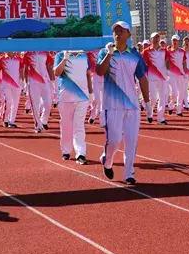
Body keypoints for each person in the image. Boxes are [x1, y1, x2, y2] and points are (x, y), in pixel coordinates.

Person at [96, 21, 149, 185]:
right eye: (115, 31)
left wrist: (147, 103)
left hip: (132, 105)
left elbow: (142, 78)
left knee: (131, 141)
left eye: (121, 31)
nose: (118, 34)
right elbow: (99, 71)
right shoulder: (105, 52)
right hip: (112, 106)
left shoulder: (135, 55)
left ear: (129, 35)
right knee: (114, 140)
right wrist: (109, 54)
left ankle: (129, 174)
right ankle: (108, 160)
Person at [53, 49, 92, 164]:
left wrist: (91, 93)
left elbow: (88, 74)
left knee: (79, 125)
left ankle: (80, 153)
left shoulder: (84, 55)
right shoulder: (60, 54)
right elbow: (56, 72)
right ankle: (66, 150)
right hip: (66, 96)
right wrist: (65, 59)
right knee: (66, 126)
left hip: (82, 96)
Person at [21, 51, 54, 132]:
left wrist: (52, 80)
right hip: (33, 82)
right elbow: (25, 68)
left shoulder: (45, 53)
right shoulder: (28, 54)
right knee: (35, 104)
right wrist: (25, 82)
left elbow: (49, 66)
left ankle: (44, 120)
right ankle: (38, 125)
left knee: (48, 103)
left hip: (45, 81)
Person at [142, 32, 169, 124]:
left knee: (162, 98)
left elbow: (167, 61)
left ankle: (161, 118)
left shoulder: (164, 51)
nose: (157, 39)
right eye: (155, 37)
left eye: (158, 37)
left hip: (163, 77)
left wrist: (168, 71)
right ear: (151, 40)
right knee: (153, 98)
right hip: (151, 77)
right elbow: (143, 64)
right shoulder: (146, 51)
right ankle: (150, 112)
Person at [0, 52, 22, 128]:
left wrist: (21, 81)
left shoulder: (19, 59)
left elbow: (21, 70)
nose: (13, 52)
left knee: (15, 103)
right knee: (9, 102)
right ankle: (5, 119)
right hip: (6, 85)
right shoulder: (2, 60)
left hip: (16, 85)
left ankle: (12, 121)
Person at [166, 35, 188, 116]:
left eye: (176, 40)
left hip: (181, 74)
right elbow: (166, 62)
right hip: (171, 75)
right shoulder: (168, 52)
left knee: (181, 93)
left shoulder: (182, 51)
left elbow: (184, 62)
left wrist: (185, 72)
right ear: (171, 41)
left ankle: (179, 110)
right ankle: (171, 105)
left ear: (178, 42)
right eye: (173, 40)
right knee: (174, 93)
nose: (174, 42)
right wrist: (167, 71)